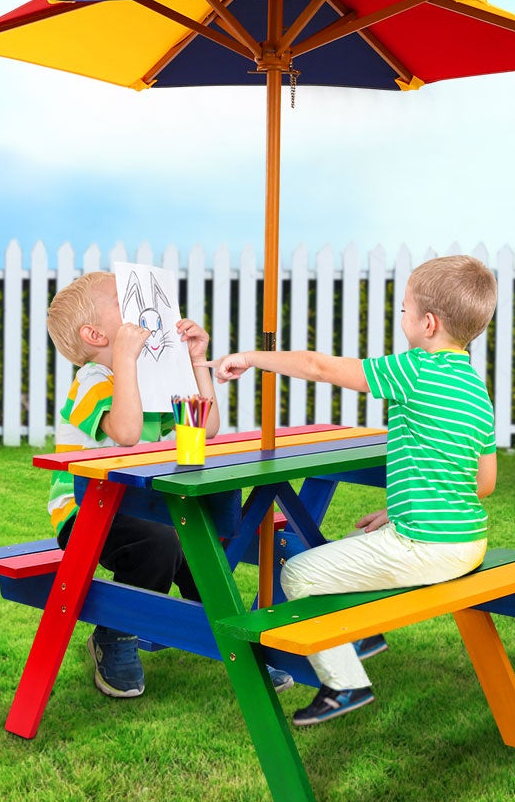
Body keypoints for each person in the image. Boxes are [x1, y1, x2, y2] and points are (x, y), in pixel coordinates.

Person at [213, 255, 498, 726]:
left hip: (427, 547)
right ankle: (363, 637)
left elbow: (319, 367)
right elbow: (483, 484)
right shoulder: (474, 386)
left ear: (428, 324)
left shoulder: (416, 370)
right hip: (468, 544)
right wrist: (405, 507)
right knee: (346, 549)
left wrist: (250, 357)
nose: (400, 318)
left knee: (298, 574)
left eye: (403, 310)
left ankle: (346, 684)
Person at [46, 271, 294, 699]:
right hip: (86, 512)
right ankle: (116, 635)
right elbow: (125, 431)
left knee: (204, 550)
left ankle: (236, 643)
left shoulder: (154, 381)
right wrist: (125, 362)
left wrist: (197, 362)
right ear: (96, 334)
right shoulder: (91, 381)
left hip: (150, 505)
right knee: (160, 544)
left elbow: (207, 426)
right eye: (127, 305)